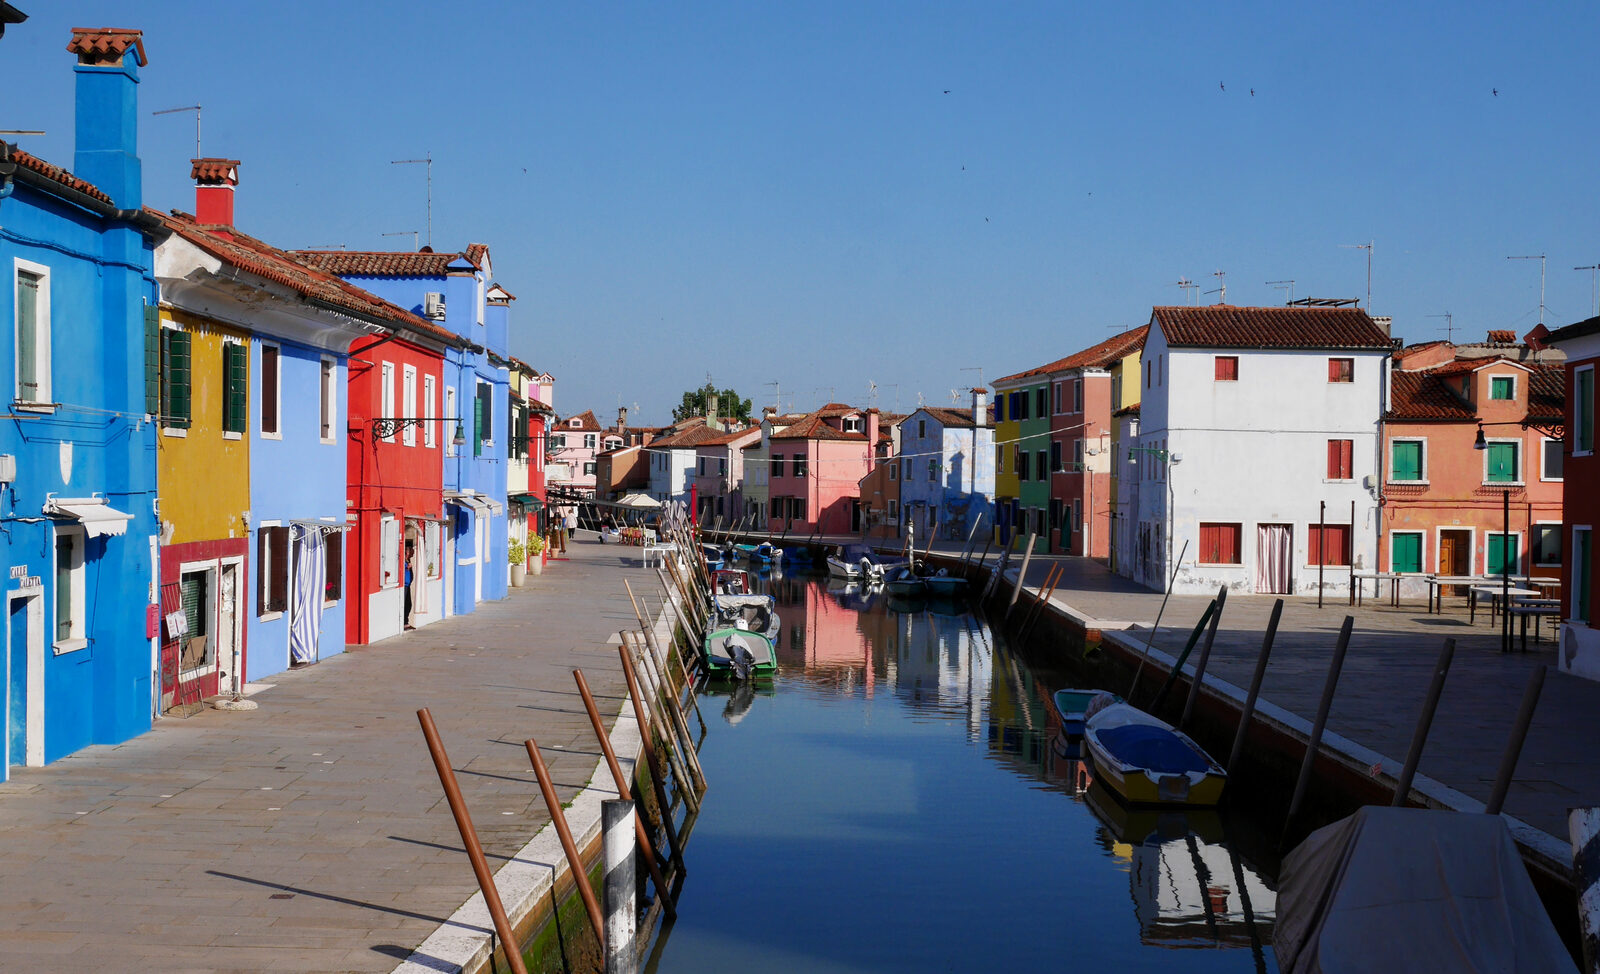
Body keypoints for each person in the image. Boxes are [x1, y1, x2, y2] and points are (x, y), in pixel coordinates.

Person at [403, 539, 416, 630]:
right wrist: (407, 567)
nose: (413, 552)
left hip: (408, 585)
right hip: (404, 585)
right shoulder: (403, 561)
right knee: (405, 604)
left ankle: (406, 622)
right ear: (407, 551)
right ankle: (404, 623)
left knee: (408, 604)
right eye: (412, 550)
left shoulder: (408, 560)